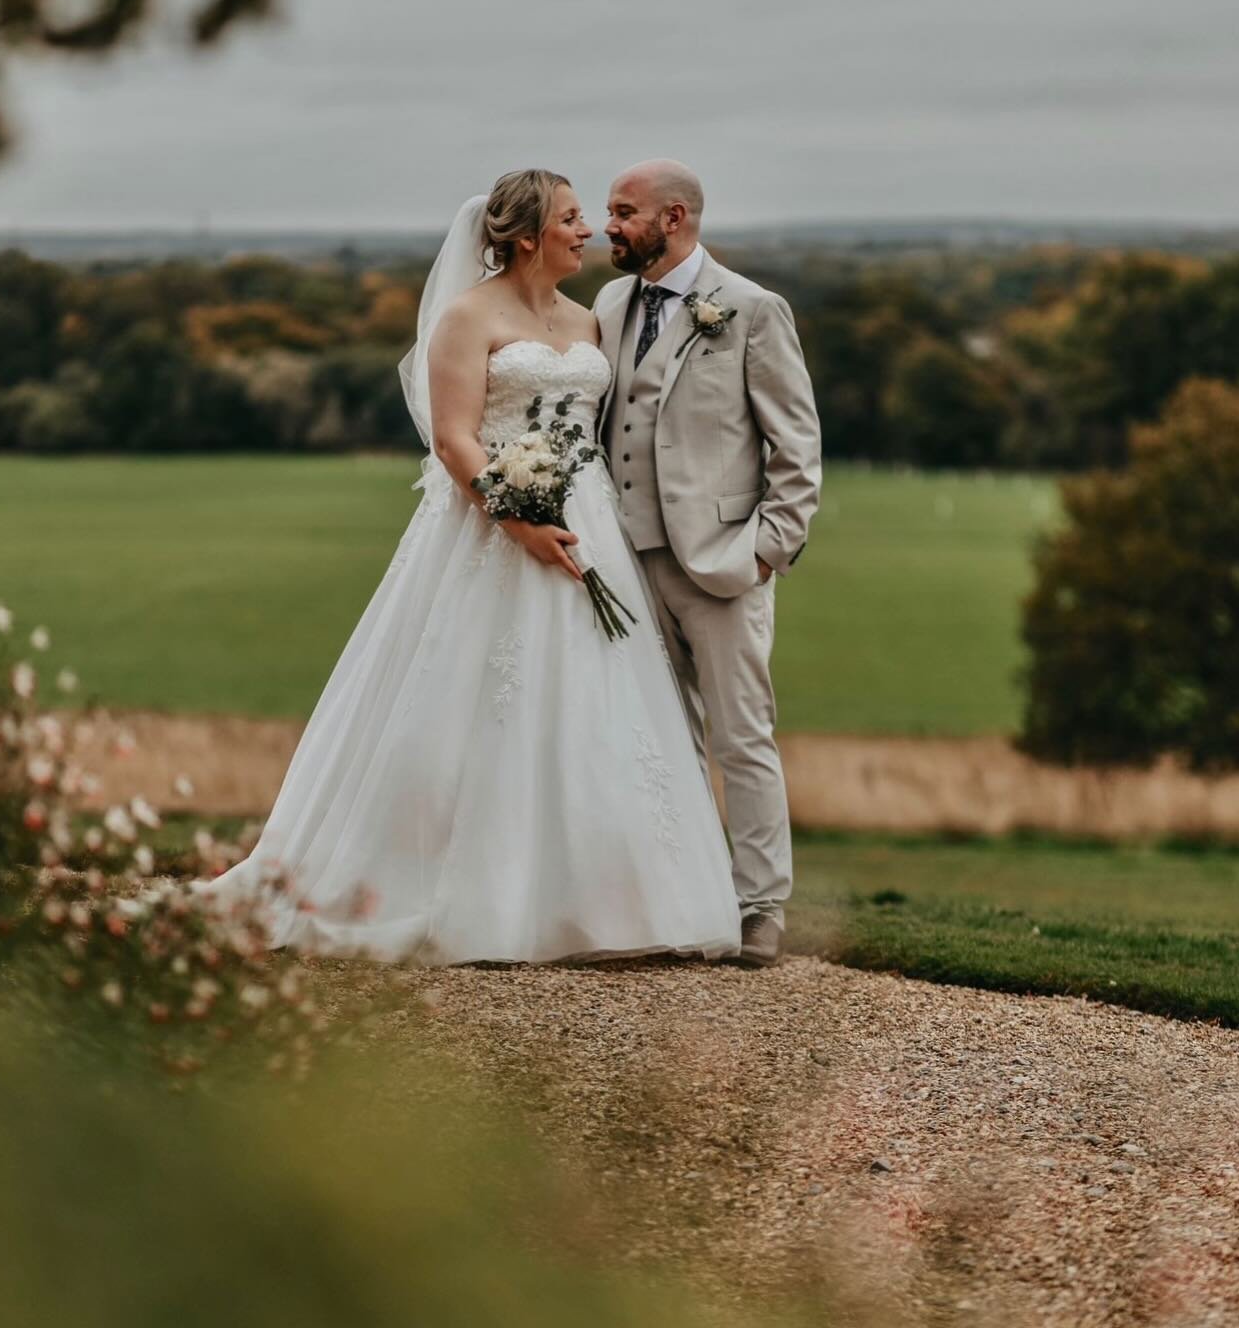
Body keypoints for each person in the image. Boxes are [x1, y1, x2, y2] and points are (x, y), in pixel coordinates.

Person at [197, 170, 741, 965]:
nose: (585, 229)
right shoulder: (465, 318)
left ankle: (614, 904)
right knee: (475, 705)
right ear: (527, 236)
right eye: (570, 217)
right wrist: (520, 523)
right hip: (492, 529)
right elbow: (455, 440)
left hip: (589, 524)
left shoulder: (592, 323)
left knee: (602, 705)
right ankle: (473, 894)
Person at [596, 159, 822, 967]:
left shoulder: (754, 310)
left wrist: (767, 551)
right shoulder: (612, 301)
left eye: (624, 211)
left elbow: (796, 446)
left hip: (723, 562)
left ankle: (761, 907)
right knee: (660, 736)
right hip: (624, 562)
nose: (607, 225)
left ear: (676, 216)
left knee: (742, 737)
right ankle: (687, 896)